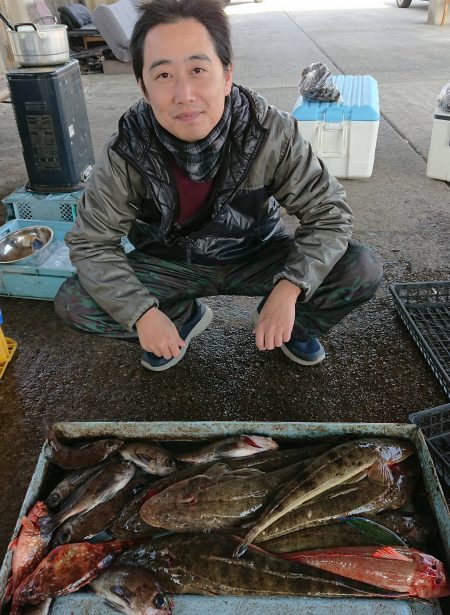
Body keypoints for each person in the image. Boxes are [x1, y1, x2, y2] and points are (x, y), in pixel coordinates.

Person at [54, 0, 383, 372]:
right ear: (142, 86)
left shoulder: (271, 133)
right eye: (163, 75)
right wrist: (141, 313)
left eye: (198, 69)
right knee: (74, 301)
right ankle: (178, 317)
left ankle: (294, 326)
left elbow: (329, 214)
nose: (184, 94)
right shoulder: (126, 151)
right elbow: (91, 242)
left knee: (361, 267)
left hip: (256, 253)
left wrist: (291, 288)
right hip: (169, 262)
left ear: (226, 76)